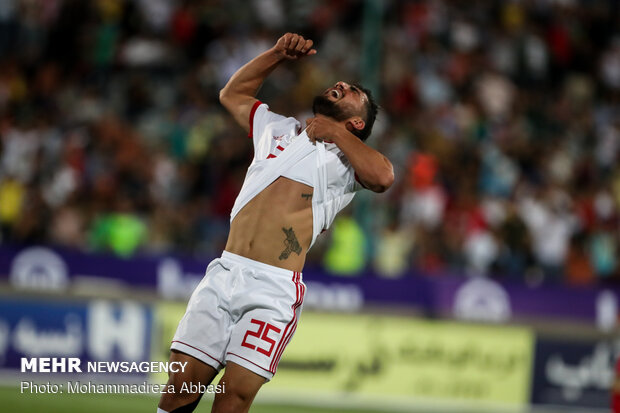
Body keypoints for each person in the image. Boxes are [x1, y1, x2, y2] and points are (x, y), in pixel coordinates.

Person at [157, 33, 394, 413]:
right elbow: (232, 95)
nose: (342, 84)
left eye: (352, 93)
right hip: (224, 272)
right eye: (343, 84)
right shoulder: (279, 130)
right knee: (181, 385)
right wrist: (276, 55)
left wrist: (332, 132)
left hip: (272, 289)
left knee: (233, 396)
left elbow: (383, 177)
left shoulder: (346, 164)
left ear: (355, 123)